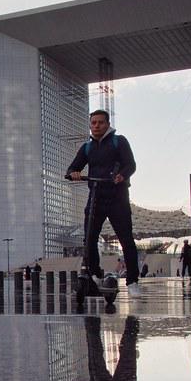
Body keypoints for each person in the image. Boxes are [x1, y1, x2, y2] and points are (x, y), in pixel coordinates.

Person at [68, 110, 139, 294]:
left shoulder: (119, 141)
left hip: (118, 197)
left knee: (126, 239)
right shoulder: (87, 148)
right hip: (96, 197)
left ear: (108, 124)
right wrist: (74, 173)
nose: (97, 125)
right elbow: (73, 167)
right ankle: (95, 272)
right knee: (89, 238)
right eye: (94, 123)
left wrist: (122, 175)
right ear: (90, 125)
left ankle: (132, 281)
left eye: (100, 122)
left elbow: (131, 165)